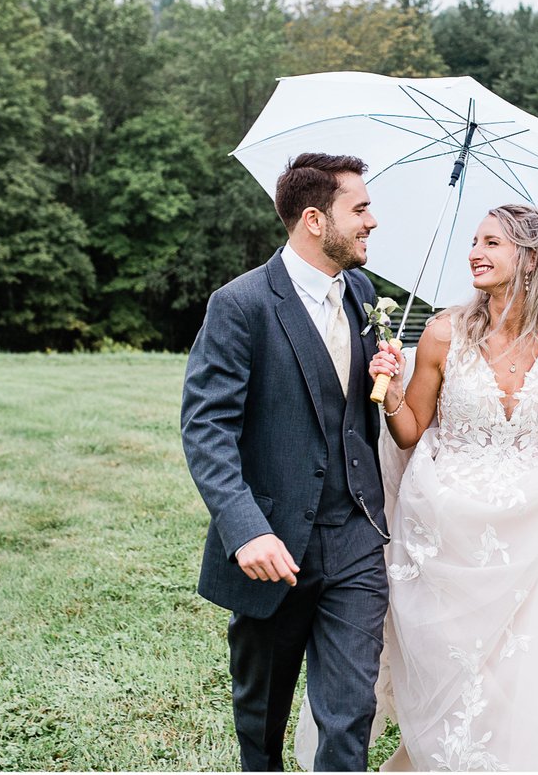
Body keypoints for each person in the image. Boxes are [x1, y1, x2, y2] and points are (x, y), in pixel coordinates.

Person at [360, 203, 538, 770]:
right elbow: (408, 433)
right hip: (447, 520)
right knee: (458, 668)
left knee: (520, 666)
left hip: (531, 523)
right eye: (474, 242)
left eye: (492, 243)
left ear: (530, 258)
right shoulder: (442, 332)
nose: (475, 253)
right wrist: (391, 387)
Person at [181, 152, 391, 771]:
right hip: (274, 547)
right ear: (314, 220)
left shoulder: (362, 292)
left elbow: (354, 410)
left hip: (355, 536)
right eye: (360, 208)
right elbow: (206, 427)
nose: (373, 221)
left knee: (350, 716)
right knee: (262, 722)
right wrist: (246, 531)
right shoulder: (240, 304)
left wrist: (383, 376)